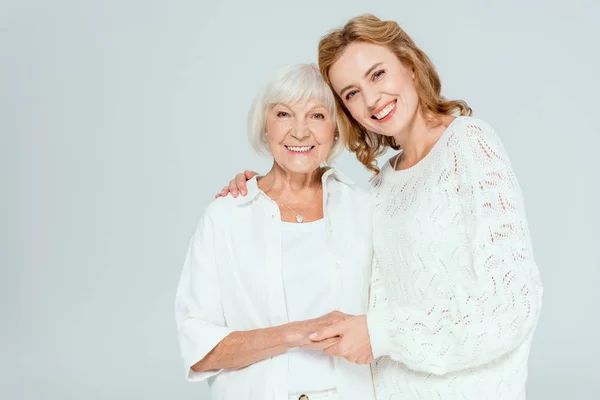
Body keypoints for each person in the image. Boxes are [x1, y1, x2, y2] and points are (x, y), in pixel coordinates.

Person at [216, 14, 543, 400]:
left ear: (409, 65)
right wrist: (270, 185)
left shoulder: (470, 146)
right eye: (351, 93)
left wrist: (379, 334)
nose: (371, 99)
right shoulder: (379, 189)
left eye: (377, 75)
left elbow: (512, 306)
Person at [175, 64, 376, 400]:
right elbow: (200, 350)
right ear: (265, 126)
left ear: (336, 129)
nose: (299, 132)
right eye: (284, 114)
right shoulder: (226, 216)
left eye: (316, 116)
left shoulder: (365, 210)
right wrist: (297, 333)